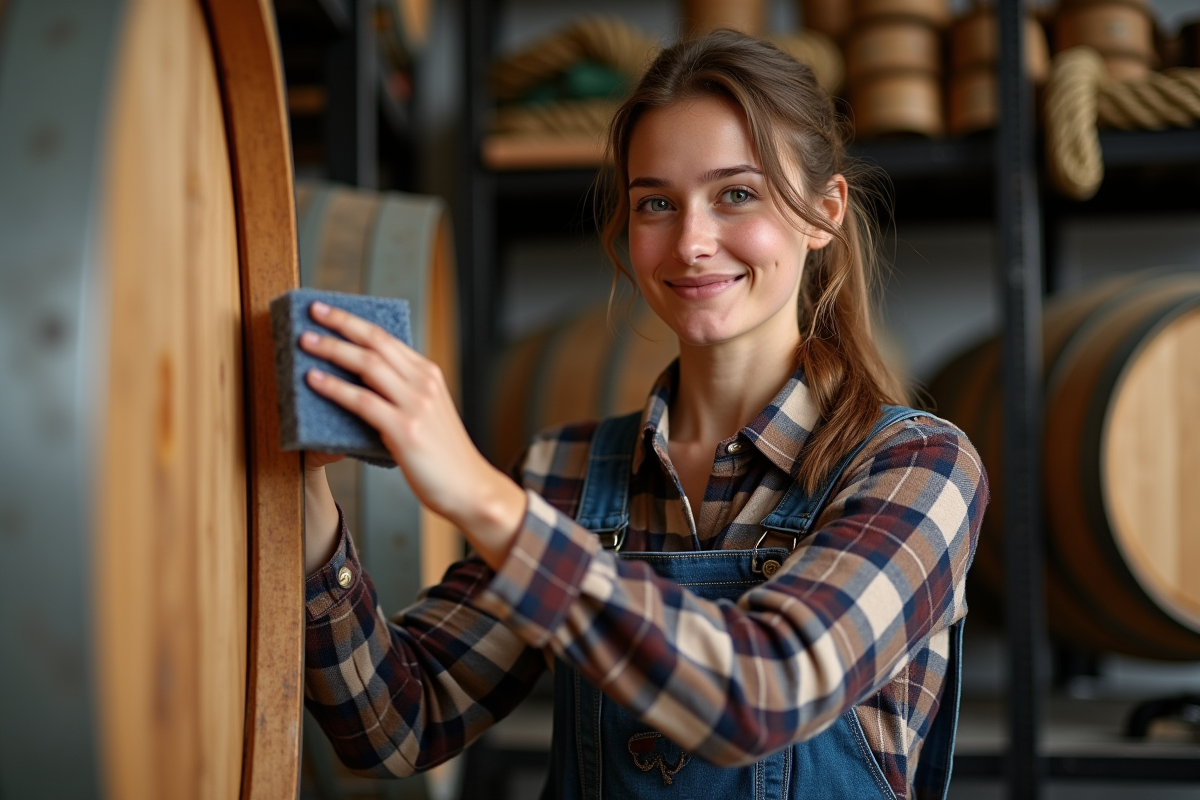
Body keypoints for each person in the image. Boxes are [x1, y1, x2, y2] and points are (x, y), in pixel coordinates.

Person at [300, 30, 986, 800]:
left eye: (737, 194)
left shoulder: (918, 466)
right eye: (656, 202)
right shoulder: (566, 471)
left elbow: (764, 694)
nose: (691, 242)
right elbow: (397, 726)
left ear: (823, 213)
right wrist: (303, 494)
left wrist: (484, 500)